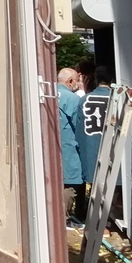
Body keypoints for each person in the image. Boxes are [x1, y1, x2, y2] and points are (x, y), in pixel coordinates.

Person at [76, 65, 115, 223]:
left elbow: (79, 130)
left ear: (95, 79)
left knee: (95, 185)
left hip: (91, 148)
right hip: (112, 148)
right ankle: (107, 219)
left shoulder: (85, 99)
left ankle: (95, 220)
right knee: (112, 184)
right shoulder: (117, 99)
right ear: (112, 79)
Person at [56, 67, 86, 228]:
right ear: (70, 81)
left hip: (52, 146)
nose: (78, 84)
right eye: (77, 80)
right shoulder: (72, 99)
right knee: (70, 182)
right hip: (68, 145)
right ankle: (64, 218)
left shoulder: (48, 93)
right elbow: (79, 125)